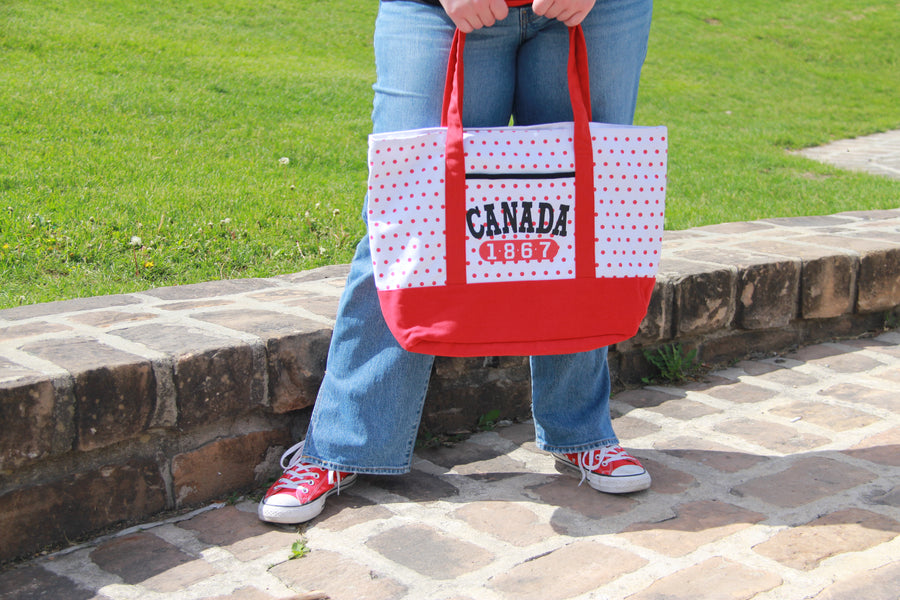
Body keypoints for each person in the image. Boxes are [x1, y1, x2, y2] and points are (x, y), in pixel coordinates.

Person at [258, 0, 654, 525]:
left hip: (598, 11)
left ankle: (582, 431)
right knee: (406, 221)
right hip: (438, 10)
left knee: (577, 216)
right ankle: (342, 444)